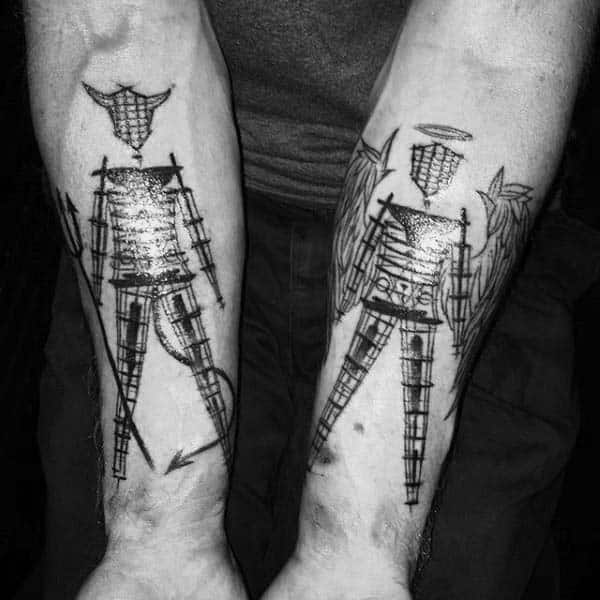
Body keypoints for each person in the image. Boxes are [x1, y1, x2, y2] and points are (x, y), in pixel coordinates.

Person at [24, 1, 599, 598]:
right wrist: (159, 526)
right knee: (122, 560)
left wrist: (359, 540)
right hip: (203, 174)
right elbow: (115, 31)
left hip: (477, 202)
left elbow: (491, 61)